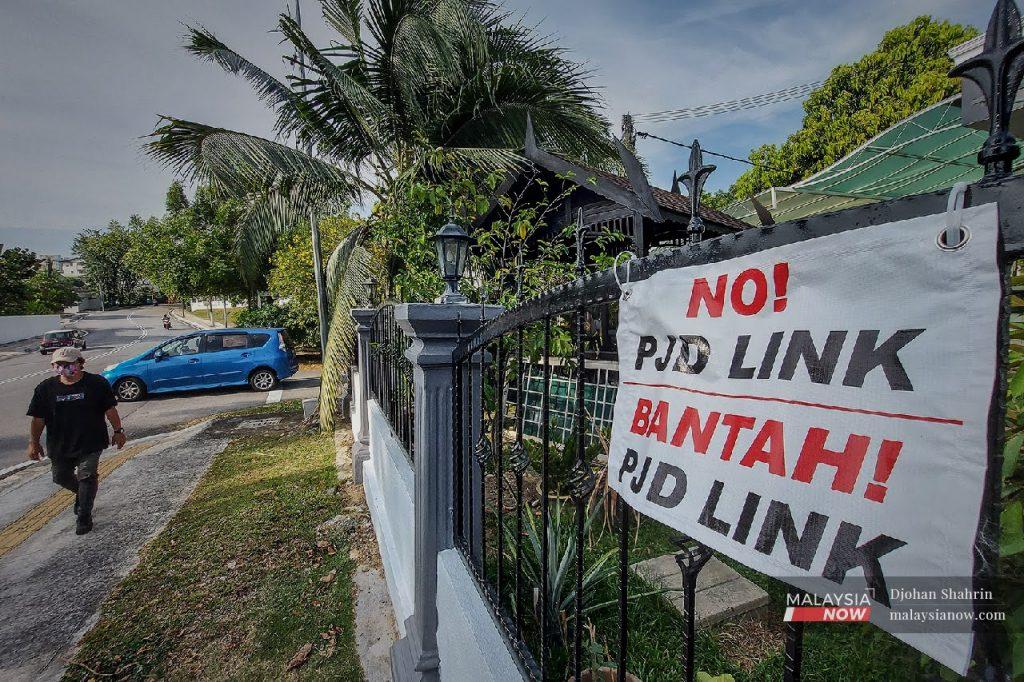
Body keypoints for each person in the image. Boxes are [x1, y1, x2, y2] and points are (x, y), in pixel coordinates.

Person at [26, 346, 126, 535]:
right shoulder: (45, 389)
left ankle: (84, 516)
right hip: (60, 445)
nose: (64, 368)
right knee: (60, 477)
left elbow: (110, 409)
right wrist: (34, 442)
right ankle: (83, 496)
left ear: (80, 363)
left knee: (87, 475)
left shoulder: (96, 383)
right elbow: (38, 419)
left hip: (91, 441)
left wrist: (118, 431)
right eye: (59, 364)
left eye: (69, 364)